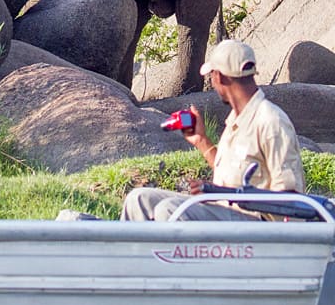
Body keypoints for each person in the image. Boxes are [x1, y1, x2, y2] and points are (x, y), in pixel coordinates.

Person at [122, 39, 304, 222]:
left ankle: (168, 251)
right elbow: (232, 173)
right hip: (224, 211)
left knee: (169, 210)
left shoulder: (270, 120)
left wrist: (221, 193)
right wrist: (201, 140)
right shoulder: (236, 119)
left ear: (219, 77)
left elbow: (289, 198)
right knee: (139, 199)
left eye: (211, 75)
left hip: (258, 229)